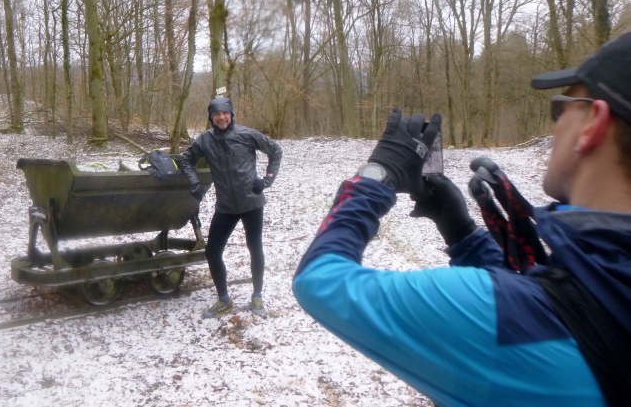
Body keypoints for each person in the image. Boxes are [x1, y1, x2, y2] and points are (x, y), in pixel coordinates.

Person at [292, 32, 631, 407]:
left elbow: (319, 282)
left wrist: (376, 178)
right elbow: (559, 310)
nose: (556, 125)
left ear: (593, 123)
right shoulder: (610, 285)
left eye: (561, 108)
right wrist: (464, 236)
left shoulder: (502, 314)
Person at [178, 97, 282, 318]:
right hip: (225, 206)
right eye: (217, 114)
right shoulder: (205, 140)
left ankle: (257, 296)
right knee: (212, 251)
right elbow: (185, 160)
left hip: (252, 202)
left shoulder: (247, 135)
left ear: (232, 115)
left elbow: (275, 150)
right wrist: (194, 182)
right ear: (211, 117)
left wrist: (267, 179)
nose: (221, 118)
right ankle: (224, 300)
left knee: (255, 248)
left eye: (225, 113)